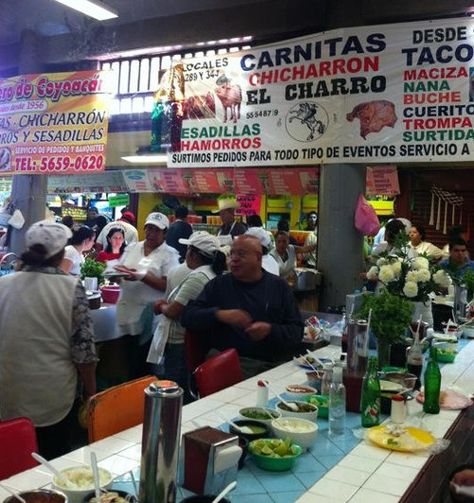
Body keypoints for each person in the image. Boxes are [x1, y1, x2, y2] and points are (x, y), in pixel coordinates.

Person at [0, 220, 97, 459]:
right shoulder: (71, 287)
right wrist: (91, 393)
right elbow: (83, 353)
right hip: (54, 395)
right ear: (61, 252)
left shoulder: (3, 285)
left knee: (12, 460)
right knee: (52, 463)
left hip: (8, 389)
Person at [181, 235, 304, 377]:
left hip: (270, 365)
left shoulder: (278, 287)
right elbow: (187, 316)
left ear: (258, 258)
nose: (234, 259)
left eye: (241, 254)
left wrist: (270, 330)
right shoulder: (218, 285)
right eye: (231, 253)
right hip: (225, 363)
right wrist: (219, 314)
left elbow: (297, 331)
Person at [148, 231, 227, 402]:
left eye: (189, 249)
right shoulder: (210, 273)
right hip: (194, 341)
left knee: (175, 391)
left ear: (195, 254)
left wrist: (161, 306)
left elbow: (174, 311)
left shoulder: (198, 277)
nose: (186, 254)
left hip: (180, 342)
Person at [114, 212, 180, 377]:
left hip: (149, 318)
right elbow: (120, 272)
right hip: (126, 312)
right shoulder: (132, 248)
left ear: (165, 233)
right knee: (124, 361)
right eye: (148, 228)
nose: (151, 233)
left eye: (156, 230)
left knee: (141, 364)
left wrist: (142, 276)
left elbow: (168, 285)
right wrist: (115, 275)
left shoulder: (169, 254)